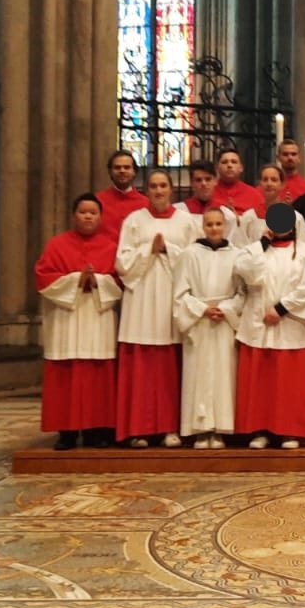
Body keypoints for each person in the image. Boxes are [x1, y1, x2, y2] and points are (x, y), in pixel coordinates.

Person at [35, 193, 121, 450]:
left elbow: (120, 281)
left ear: (100, 217)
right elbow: (43, 276)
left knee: (98, 374)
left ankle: (97, 431)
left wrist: (98, 281)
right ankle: (68, 433)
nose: (87, 217)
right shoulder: (56, 245)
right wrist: (75, 280)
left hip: (97, 318)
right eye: (83, 212)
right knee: (66, 375)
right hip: (67, 320)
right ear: (74, 215)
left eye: (93, 213)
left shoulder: (110, 246)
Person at [113, 168, 193, 447]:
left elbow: (196, 259)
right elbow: (122, 262)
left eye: (163, 186)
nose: (158, 191)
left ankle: (170, 427)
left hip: (172, 297)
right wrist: (149, 249)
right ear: (146, 191)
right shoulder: (134, 220)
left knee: (170, 365)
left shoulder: (185, 221)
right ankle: (140, 429)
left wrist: (168, 248)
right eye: (153, 186)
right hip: (141, 301)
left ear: (172, 190)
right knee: (142, 366)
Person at [233, 204, 305, 450]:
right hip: (259, 324)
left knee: (290, 383)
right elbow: (243, 271)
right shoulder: (253, 250)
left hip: (291, 324)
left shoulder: (304, 252)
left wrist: (281, 308)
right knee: (262, 381)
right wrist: (262, 244)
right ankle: (261, 430)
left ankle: (290, 430)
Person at [172, 207, 242, 448]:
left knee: (223, 374)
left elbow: (242, 293)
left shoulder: (236, 254)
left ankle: (220, 429)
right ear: (203, 226)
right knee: (199, 374)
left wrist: (226, 307)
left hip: (223, 320)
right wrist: (202, 309)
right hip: (199, 321)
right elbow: (180, 292)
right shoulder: (190, 254)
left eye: (218, 224)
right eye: (209, 224)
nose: (214, 229)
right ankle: (200, 429)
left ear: (225, 226)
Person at [235, 164, 305, 247]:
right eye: (265, 179)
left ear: (282, 185)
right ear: (260, 184)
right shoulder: (249, 217)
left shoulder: (295, 217)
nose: (269, 183)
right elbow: (240, 248)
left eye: (274, 180)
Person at [180, 160, 236, 241]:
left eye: (208, 179)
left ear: (215, 181)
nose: (204, 184)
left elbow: (229, 245)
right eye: (198, 180)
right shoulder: (180, 211)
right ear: (191, 183)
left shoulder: (227, 215)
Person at [96, 149, 146, 239]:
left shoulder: (146, 204)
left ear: (134, 172)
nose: (122, 171)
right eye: (117, 167)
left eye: (127, 167)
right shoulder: (97, 201)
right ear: (110, 172)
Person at [213, 147, 264, 215]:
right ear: (217, 168)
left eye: (234, 162)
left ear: (241, 168)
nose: (229, 165)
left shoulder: (254, 195)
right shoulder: (208, 192)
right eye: (224, 162)